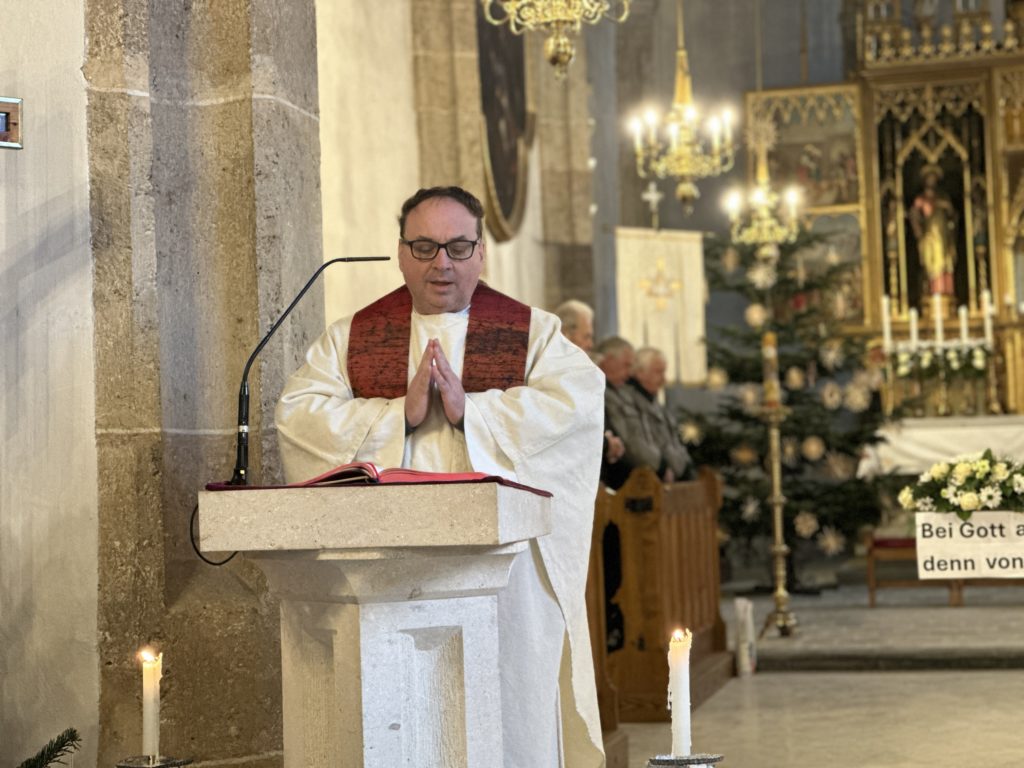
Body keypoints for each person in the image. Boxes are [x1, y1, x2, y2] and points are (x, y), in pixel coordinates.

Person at [275, 186, 605, 767]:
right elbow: (297, 415)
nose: (442, 263)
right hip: (382, 566)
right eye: (424, 247)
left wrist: (470, 412)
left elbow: (577, 404)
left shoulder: (532, 332)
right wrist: (394, 416)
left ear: (482, 252)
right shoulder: (351, 337)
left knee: (504, 714)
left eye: (458, 246)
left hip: (504, 572)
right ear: (401, 253)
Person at [595, 335, 659, 490]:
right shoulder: (595, 389)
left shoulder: (625, 393)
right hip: (611, 480)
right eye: (626, 365)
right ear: (608, 360)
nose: (630, 373)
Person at [627, 347, 696, 483]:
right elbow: (638, 446)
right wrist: (663, 468)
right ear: (640, 373)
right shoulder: (629, 402)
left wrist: (685, 466)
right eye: (658, 372)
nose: (664, 379)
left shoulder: (657, 404)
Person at [909, 165, 957, 296]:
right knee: (931, 262)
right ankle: (932, 290)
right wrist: (918, 229)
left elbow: (952, 214)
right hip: (929, 235)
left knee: (945, 261)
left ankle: (945, 290)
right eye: (929, 178)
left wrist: (947, 208)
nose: (931, 181)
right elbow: (914, 215)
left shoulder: (943, 197)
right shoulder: (920, 199)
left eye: (933, 178)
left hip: (943, 235)